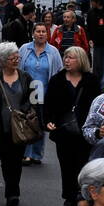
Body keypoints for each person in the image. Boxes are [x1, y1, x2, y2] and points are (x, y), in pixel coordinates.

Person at [44, 46, 102, 206]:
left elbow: (97, 106)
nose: (66, 60)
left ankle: (82, 195)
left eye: (71, 58)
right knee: (66, 165)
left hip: (85, 131)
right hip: (63, 131)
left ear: (81, 60)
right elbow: (49, 104)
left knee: (84, 166)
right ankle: (69, 197)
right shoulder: (57, 80)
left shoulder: (91, 80)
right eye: (66, 57)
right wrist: (48, 121)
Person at [0, 41, 34, 206]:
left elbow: (34, 98)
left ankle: (14, 191)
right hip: (2, 128)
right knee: (6, 161)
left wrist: (27, 112)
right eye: (12, 58)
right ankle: (11, 191)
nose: (16, 60)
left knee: (17, 161)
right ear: (3, 60)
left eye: (17, 57)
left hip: (20, 127)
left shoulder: (25, 77)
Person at [19, 23, 62, 167]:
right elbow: (18, 69)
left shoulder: (53, 52)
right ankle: (27, 154)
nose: (41, 34)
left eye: (44, 31)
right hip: (27, 93)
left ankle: (37, 154)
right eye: (38, 31)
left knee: (40, 124)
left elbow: (59, 72)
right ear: (33, 33)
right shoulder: (25, 49)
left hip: (45, 93)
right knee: (27, 122)